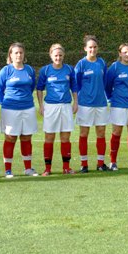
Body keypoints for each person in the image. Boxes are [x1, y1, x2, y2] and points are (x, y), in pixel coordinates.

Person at [0, 42, 38, 178]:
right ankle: (8, 170)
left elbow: (32, 87)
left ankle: (28, 168)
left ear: (24, 54)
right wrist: (5, 103)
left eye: (21, 52)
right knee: (10, 137)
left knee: (26, 137)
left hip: (28, 108)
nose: (19, 55)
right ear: (11, 55)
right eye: (16, 53)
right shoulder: (6, 71)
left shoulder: (29, 70)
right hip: (10, 109)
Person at [36, 43, 78, 176]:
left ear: (63, 55)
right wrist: (41, 105)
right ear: (51, 55)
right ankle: (47, 169)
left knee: (65, 136)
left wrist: (75, 102)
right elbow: (39, 88)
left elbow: (74, 87)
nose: (58, 58)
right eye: (55, 55)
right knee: (49, 136)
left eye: (60, 55)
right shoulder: (45, 70)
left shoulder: (69, 70)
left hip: (66, 106)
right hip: (51, 106)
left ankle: (66, 167)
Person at [75, 35, 109, 173]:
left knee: (101, 133)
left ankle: (100, 163)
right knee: (84, 133)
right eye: (90, 47)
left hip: (100, 103)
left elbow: (105, 81)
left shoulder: (101, 62)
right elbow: (76, 85)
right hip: (85, 104)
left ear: (98, 48)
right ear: (85, 49)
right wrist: (77, 101)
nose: (92, 49)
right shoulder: (81, 64)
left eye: (95, 47)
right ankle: (84, 164)